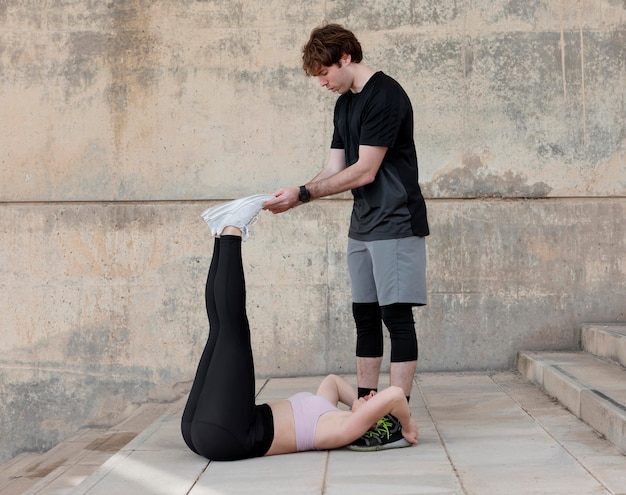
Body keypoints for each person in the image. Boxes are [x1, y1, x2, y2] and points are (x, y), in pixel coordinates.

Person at [263, 23, 429, 450]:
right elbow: (336, 169)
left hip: (395, 219)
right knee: (365, 316)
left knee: (396, 317)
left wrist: (304, 194)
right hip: (363, 220)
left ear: (345, 58)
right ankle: (366, 411)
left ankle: (396, 416)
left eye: (324, 73)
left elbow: (366, 170)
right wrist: (295, 195)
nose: (321, 83)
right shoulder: (343, 106)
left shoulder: (385, 95)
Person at [181, 196, 418, 460]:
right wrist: (357, 402)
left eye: (374, 405)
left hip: (232, 435)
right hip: (203, 430)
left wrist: (405, 428)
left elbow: (396, 394)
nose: (372, 395)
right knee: (219, 328)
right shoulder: (334, 412)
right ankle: (221, 232)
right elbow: (333, 382)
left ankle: (232, 230)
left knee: (231, 330)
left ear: (373, 421)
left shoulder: (346, 429)